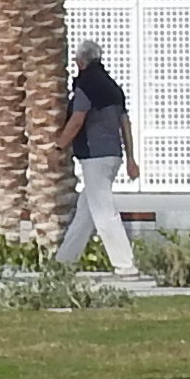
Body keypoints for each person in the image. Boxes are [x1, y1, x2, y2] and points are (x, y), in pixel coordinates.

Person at [52, 42, 140, 271]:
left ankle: (126, 265)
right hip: (113, 155)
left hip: (95, 156)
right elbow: (125, 124)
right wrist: (131, 158)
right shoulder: (113, 87)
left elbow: (77, 119)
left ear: (81, 61)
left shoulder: (86, 86)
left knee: (103, 212)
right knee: (86, 213)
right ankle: (64, 262)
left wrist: (59, 146)